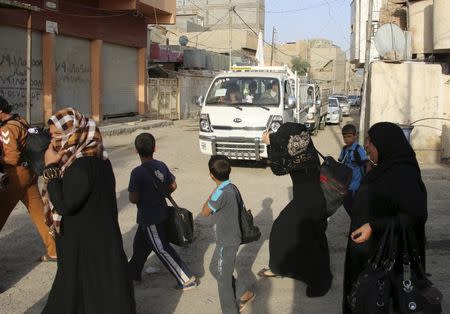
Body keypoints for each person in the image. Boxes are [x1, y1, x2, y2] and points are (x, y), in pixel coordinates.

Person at [41, 108, 135, 314]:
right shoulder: (98, 158)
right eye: (52, 136)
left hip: (83, 242)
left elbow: (65, 205)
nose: (53, 142)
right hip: (97, 238)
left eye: (57, 136)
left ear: (75, 133)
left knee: (75, 290)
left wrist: (50, 169)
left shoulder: (81, 165)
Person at [342, 122, 428, 314]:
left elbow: (416, 216)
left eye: (370, 142)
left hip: (390, 257)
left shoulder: (404, 174)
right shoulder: (381, 168)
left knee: (383, 302)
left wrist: (374, 226)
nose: (366, 146)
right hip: (367, 252)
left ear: (385, 144)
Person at [259, 123, 332, 297]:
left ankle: (283, 269)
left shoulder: (294, 153)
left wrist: (270, 143)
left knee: (281, 230)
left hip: (306, 203)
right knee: (313, 237)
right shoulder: (307, 146)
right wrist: (275, 141)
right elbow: (286, 154)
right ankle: (302, 271)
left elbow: (278, 169)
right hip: (313, 200)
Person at [127, 132, 197, 290]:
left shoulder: (137, 173)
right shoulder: (161, 165)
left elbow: (133, 199)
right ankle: (131, 273)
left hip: (149, 217)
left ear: (136, 150)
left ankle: (186, 278)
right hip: (161, 212)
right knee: (140, 247)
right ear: (154, 148)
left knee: (161, 248)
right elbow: (173, 186)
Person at [0, 95, 57, 262]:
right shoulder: (20, 120)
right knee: (40, 214)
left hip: (15, 176)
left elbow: (12, 158)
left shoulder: (6, 129)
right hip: (30, 172)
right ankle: (54, 250)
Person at [201, 155, 255, 313]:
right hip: (230, 238)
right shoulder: (232, 187)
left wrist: (215, 189)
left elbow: (204, 212)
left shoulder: (220, 193)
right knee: (214, 268)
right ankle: (243, 293)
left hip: (227, 241)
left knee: (223, 280)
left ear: (211, 175)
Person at [338, 124, 370, 213]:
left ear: (355, 136)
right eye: (345, 137)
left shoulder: (358, 149)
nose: (347, 139)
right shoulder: (344, 149)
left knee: (355, 209)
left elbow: (367, 163)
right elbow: (341, 163)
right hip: (347, 185)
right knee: (348, 206)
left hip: (356, 186)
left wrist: (366, 180)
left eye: (349, 136)